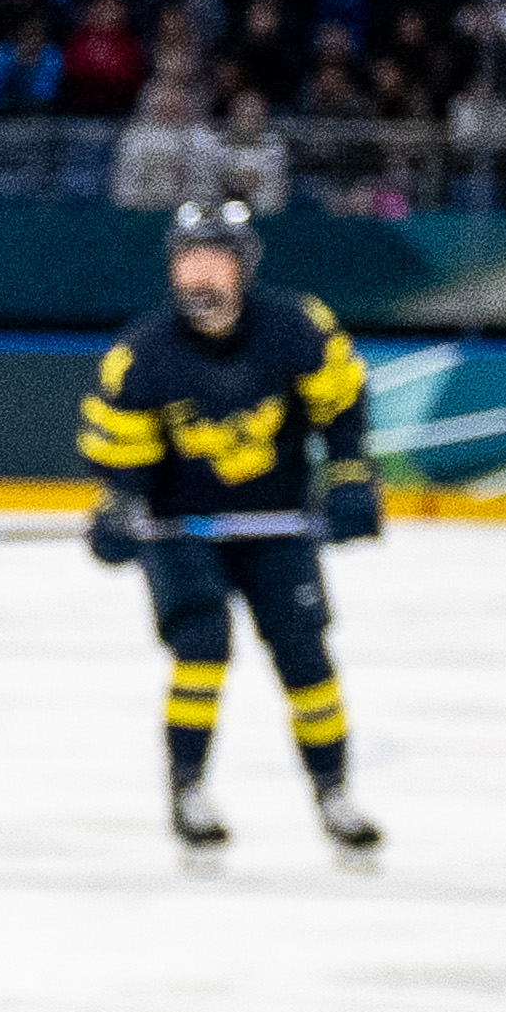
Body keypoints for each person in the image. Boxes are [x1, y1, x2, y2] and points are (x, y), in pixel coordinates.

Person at [77, 199, 384, 868]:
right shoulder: (141, 357)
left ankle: (333, 794)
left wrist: (352, 476)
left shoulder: (297, 327)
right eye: (188, 260)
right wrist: (116, 509)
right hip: (180, 531)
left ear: (242, 268)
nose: (200, 277)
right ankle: (188, 791)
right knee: (201, 646)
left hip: (275, 523)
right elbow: (121, 456)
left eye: (214, 261)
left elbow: (341, 404)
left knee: (304, 655)